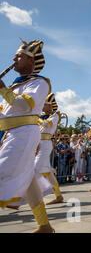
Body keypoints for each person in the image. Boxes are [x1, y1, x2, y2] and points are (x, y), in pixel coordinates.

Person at [0, 39, 54, 232]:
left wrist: (2, 89)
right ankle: (44, 225)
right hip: (10, 135)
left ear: (32, 61)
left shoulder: (40, 83)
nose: (14, 58)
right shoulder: (15, 86)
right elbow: (7, 111)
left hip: (23, 135)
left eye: (20, 55)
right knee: (30, 182)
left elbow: (23, 105)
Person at [36, 93, 64, 205]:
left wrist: (35, 118)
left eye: (45, 104)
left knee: (34, 170)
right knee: (47, 172)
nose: (42, 106)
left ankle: (32, 197)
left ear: (51, 105)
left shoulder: (56, 115)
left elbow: (46, 125)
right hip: (38, 144)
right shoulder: (39, 116)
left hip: (46, 143)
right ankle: (58, 196)